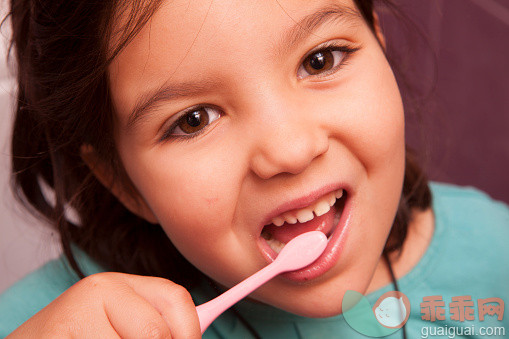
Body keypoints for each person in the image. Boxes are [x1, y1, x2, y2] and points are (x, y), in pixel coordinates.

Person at [1, 0, 507, 337]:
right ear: (121, 181)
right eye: (193, 120)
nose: (288, 150)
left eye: (321, 60)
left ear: (378, 41)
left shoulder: (496, 258)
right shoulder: (48, 324)